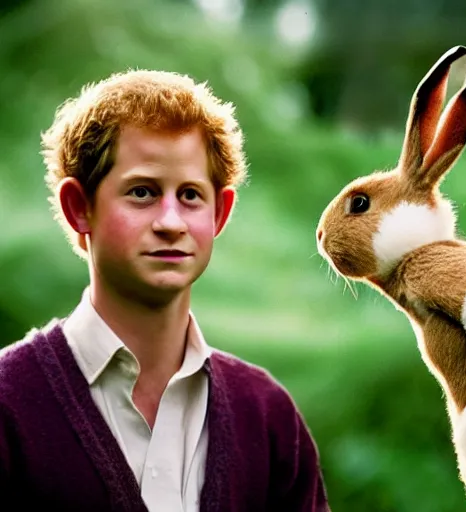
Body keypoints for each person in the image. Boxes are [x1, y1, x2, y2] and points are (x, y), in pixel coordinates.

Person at [0, 70, 329, 511]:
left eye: (191, 195)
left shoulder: (268, 417)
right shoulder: (8, 405)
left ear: (219, 214)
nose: (171, 222)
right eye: (142, 192)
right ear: (80, 208)